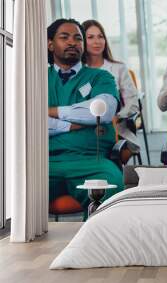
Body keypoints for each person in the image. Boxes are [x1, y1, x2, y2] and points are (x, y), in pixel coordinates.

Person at [47, 18, 124, 217]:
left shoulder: (100, 77)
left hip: (93, 161)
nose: (72, 42)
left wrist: (51, 111)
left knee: (112, 187)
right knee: (11, 187)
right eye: (64, 37)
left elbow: (103, 111)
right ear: (50, 44)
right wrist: (73, 125)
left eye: (78, 38)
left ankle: (96, 247)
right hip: (45, 162)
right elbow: (29, 120)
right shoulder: (36, 79)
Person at [82, 19, 140, 151]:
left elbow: (133, 102)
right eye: (90, 37)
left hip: (115, 128)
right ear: (82, 42)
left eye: (100, 36)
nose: (97, 41)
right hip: (84, 129)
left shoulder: (118, 68)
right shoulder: (79, 71)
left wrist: (118, 117)